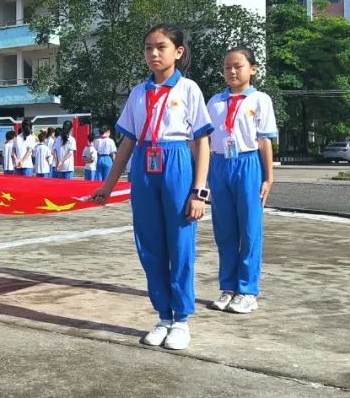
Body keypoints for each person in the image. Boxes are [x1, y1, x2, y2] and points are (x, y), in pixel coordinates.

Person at [92, 24, 213, 351]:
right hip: (144, 164)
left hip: (175, 160)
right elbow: (127, 142)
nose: (153, 54)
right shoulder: (138, 93)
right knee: (149, 245)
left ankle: (182, 320)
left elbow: (202, 142)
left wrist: (199, 191)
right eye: (148, 48)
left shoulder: (188, 90)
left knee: (180, 244)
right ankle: (163, 315)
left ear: (178, 52)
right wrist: (108, 184)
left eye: (161, 47)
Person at [206, 47, 278, 315]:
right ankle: (228, 287)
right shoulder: (214, 102)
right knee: (224, 230)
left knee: (249, 229)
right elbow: (204, 140)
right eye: (227, 67)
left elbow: (264, 141)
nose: (232, 72)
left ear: (253, 69)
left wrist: (268, 177)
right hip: (220, 163)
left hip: (248, 163)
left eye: (238, 66)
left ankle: (247, 290)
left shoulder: (260, 100)